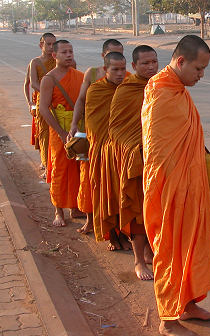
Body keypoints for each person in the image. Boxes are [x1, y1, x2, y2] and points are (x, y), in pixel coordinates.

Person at [142, 35, 210, 336]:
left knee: (191, 247)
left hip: (190, 186)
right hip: (168, 189)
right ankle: (167, 319)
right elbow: (158, 152)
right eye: (199, 69)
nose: (201, 76)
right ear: (181, 61)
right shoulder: (160, 92)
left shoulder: (177, 89)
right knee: (170, 249)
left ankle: (187, 304)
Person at [107, 45, 158, 281]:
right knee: (137, 211)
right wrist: (134, 148)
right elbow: (116, 127)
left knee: (156, 208)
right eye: (145, 63)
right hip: (137, 158)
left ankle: (150, 250)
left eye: (154, 62)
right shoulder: (126, 91)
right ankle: (138, 260)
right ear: (134, 66)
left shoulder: (162, 86)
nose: (151, 67)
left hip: (159, 158)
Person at [39, 40, 91, 227]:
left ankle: (75, 206)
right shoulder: (49, 79)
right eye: (64, 52)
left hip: (78, 128)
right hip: (59, 129)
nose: (69, 55)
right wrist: (61, 132)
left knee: (78, 169)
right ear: (55, 56)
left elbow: (85, 103)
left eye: (71, 51)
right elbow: (44, 109)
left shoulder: (79, 76)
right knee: (59, 169)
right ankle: (58, 210)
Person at [84, 52, 128, 251]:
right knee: (105, 194)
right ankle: (111, 235)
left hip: (124, 152)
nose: (120, 74)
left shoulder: (130, 89)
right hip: (103, 152)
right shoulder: (96, 91)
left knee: (124, 195)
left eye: (123, 69)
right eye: (115, 70)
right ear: (105, 70)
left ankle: (125, 234)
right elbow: (93, 125)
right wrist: (107, 146)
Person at [69, 39, 124, 139]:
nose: (116, 57)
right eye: (112, 54)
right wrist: (74, 124)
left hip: (118, 131)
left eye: (119, 54)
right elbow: (81, 100)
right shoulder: (92, 73)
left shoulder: (127, 78)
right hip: (96, 129)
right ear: (103, 55)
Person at [29, 33, 57, 177]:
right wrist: (47, 93)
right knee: (45, 134)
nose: (52, 47)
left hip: (59, 102)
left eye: (54, 44)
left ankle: (58, 164)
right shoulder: (35, 62)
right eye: (48, 44)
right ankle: (47, 165)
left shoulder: (59, 60)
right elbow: (33, 83)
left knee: (59, 133)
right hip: (43, 101)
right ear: (41, 45)